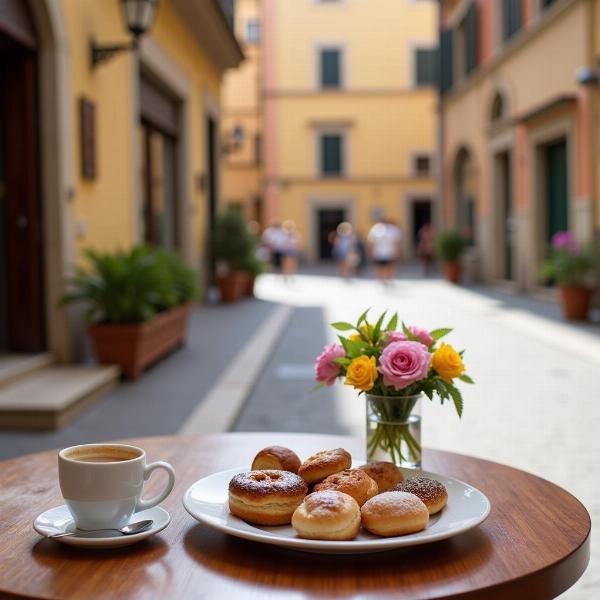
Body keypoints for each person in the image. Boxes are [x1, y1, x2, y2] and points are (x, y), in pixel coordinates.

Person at [367, 217, 402, 283]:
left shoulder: (392, 229)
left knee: (389, 266)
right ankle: (382, 280)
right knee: (381, 267)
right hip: (380, 252)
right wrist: (371, 251)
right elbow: (371, 242)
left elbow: (396, 242)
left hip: (389, 252)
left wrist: (397, 251)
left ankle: (388, 279)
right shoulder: (376, 228)